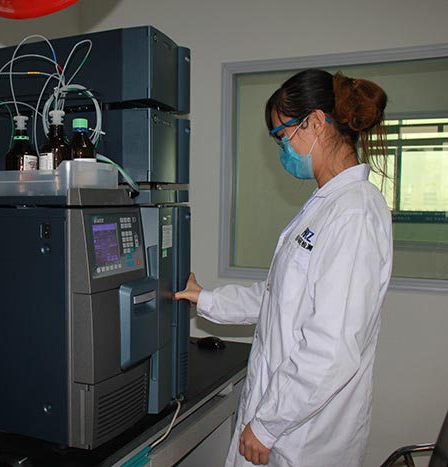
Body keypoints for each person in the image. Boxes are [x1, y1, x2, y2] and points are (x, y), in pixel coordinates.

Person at [175, 69, 393, 467]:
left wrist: (267, 425)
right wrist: (205, 298)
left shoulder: (354, 212)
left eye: (282, 135)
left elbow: (332, 346)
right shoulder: (327, 206)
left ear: (314, 122)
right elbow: (280, 297)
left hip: (307, 437)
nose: (283, 150)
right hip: (289, 419)